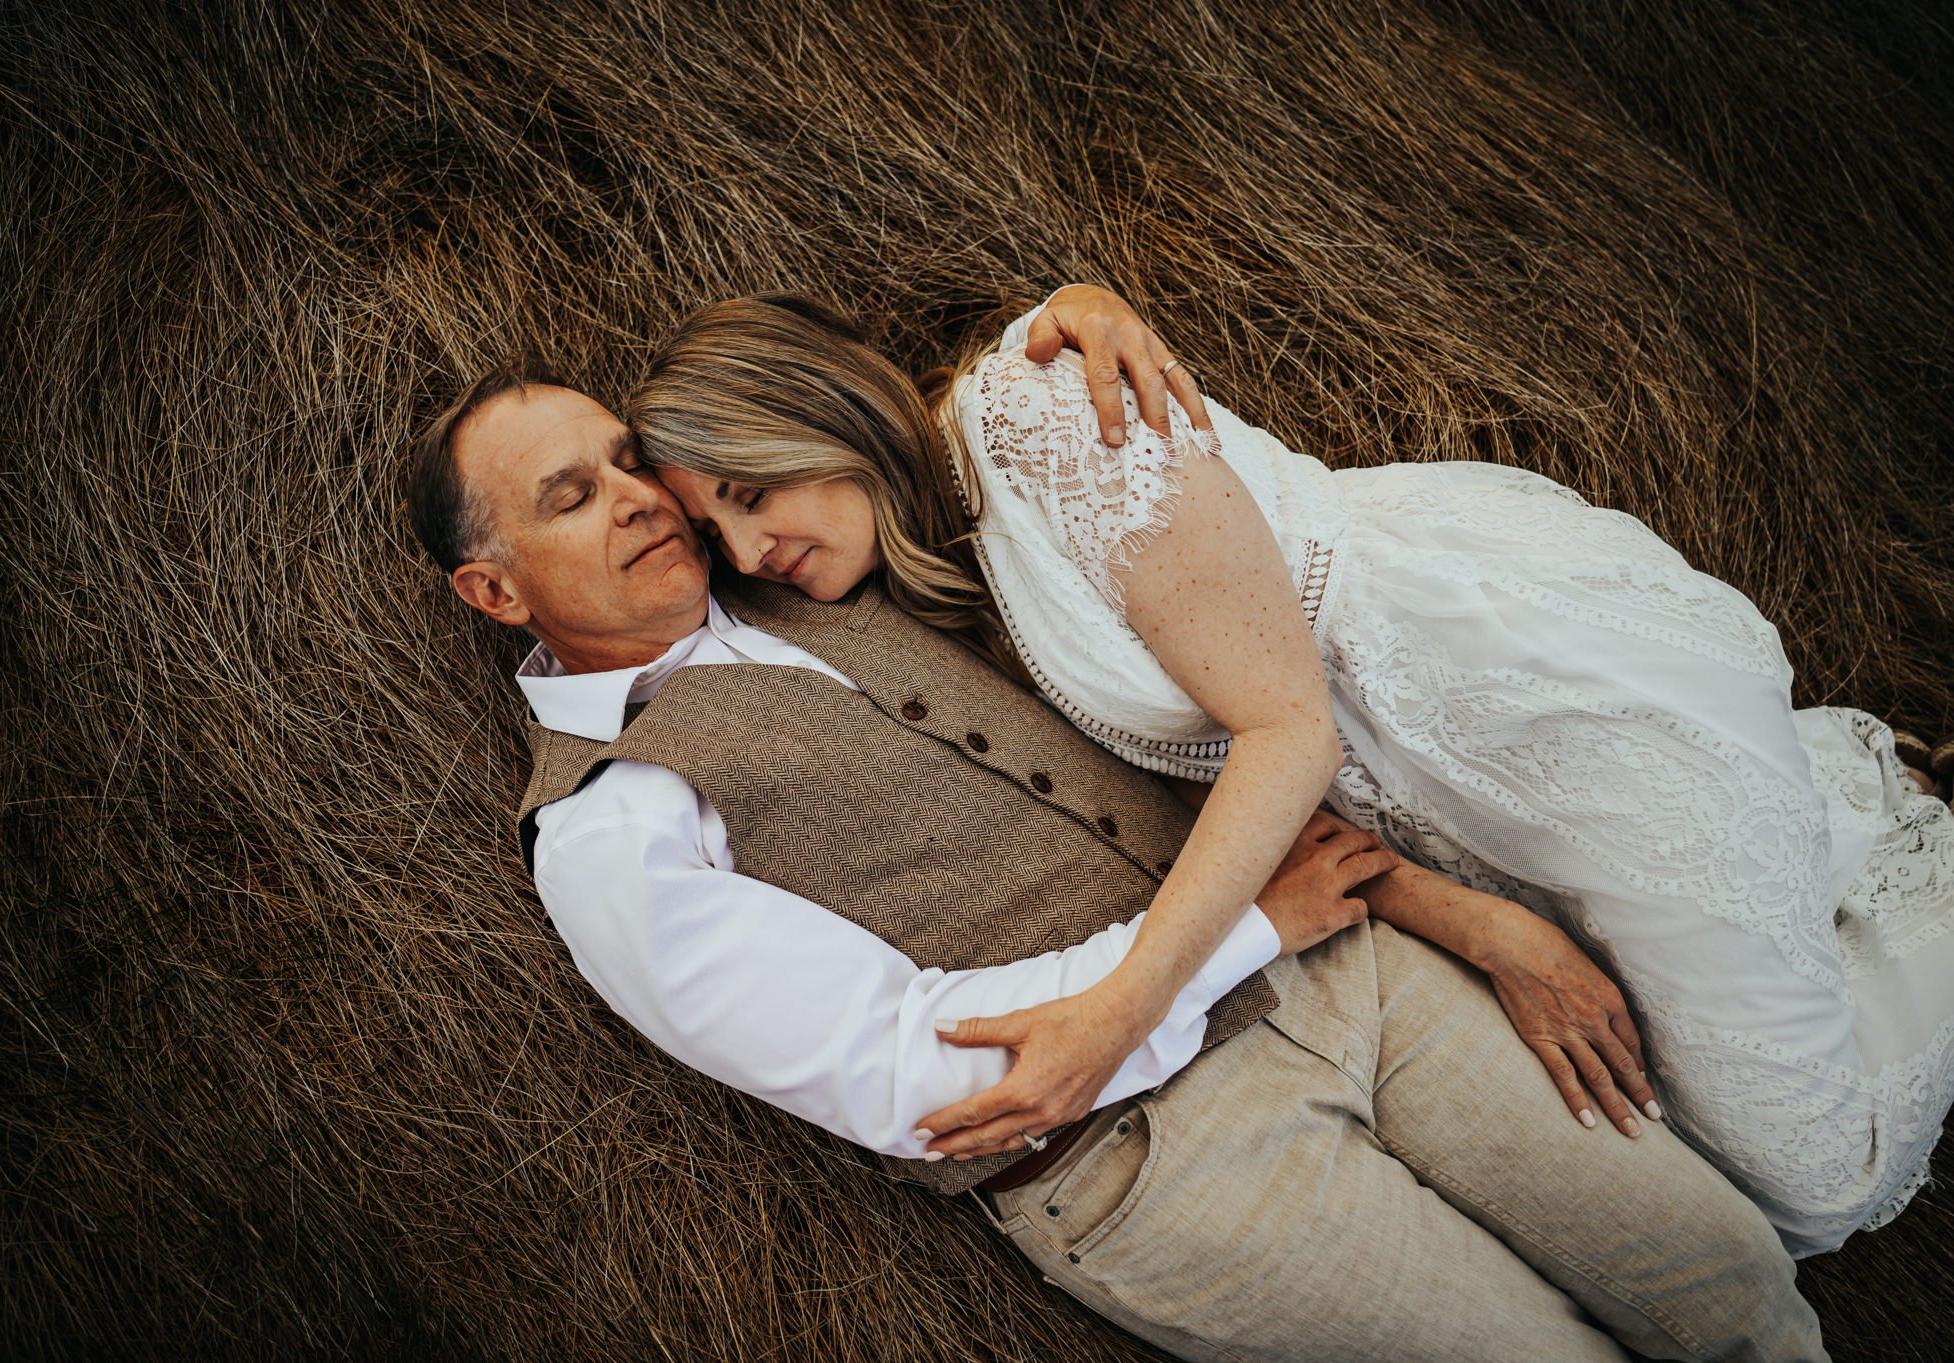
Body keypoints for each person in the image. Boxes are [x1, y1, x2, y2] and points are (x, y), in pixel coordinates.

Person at [405, 303, 1829, 1361]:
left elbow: (1123, 641)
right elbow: (919, 1080)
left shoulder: (821, 551)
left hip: (1357, 983)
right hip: (1160, 1164)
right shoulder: (607, 832)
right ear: (495, 592)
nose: (643, 498)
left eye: (623, 459)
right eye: (570, 497)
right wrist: (1241, 937)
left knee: (1727, 1281)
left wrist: (1063, 316)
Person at [628, 286, 1954, 1259]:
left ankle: (1928, 834)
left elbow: (1284, 737)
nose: (750, 550)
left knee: (1807, 1189)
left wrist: (1118, 1006)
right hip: (1411, 804)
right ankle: (1857, 791)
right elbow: (1215, 792)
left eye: (752, 490)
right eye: (712, 531)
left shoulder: (1041, 409)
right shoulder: (928, 583)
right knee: (1688, 1151)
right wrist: (1481, 926)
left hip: (1521, 699)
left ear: (820, 412)